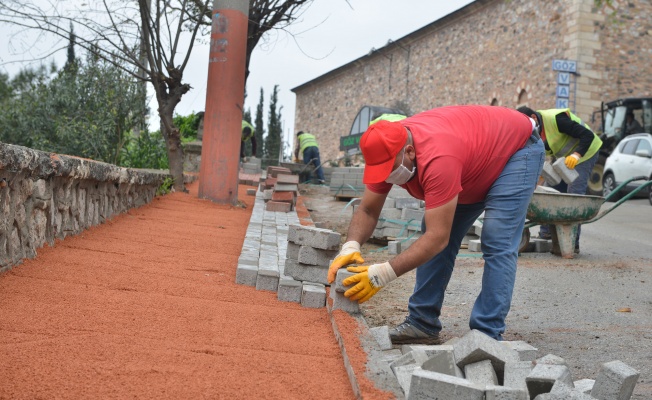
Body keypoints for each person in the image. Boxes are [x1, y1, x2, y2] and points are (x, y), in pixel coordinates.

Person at [327, 105, 544, 344]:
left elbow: (437, 237)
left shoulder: (439, 157)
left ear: (410, 152)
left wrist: (382, 274)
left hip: (517, 149)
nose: (387, 178)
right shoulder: (385, 149)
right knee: (431, 233)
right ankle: (422, 324)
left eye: (389, 171)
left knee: (497, 239)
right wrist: (351, 246)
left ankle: (486, 337)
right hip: (472, 161)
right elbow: (368, 210)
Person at [517, 107, 602, 253]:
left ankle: (572, 242)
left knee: (574, 194)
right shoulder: (534, 132)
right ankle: (547, 233)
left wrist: (577, 155)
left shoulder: (556, 119)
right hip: (565, 159)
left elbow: (588, 135)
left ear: (534, 118)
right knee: (550, 191)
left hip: (585, 152)